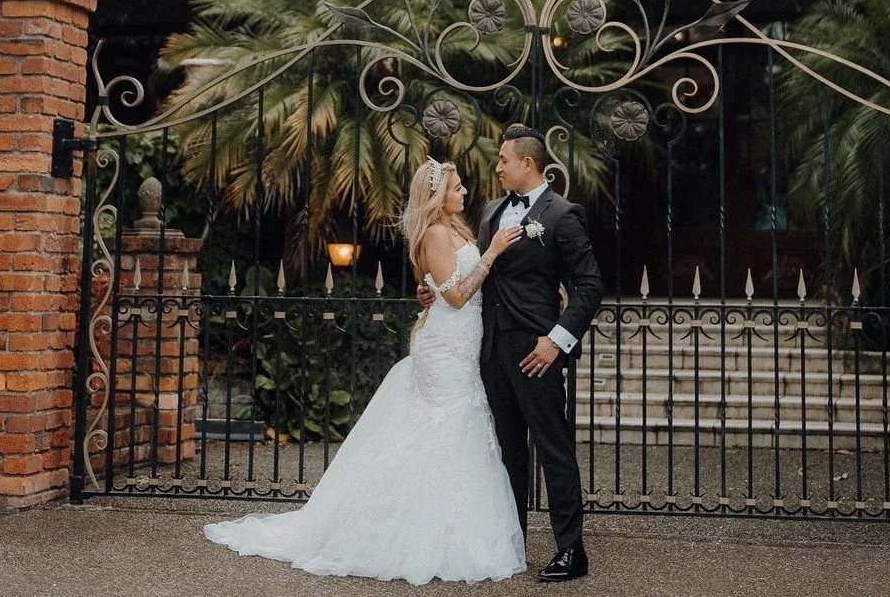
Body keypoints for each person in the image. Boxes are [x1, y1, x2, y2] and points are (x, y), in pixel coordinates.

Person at [204, 159, 527, 584]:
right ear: (438, 196)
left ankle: (444, 524)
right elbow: (456, 298)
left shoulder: (457, 230)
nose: (465, 192)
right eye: (458, 187)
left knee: (459, 429)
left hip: (463, 346)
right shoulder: (433, 233)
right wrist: (492, 252)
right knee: (441, 430)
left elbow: (437, 287)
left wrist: (455, 273)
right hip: (445, 346)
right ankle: (405, 531)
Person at [420, 124, 603, 583]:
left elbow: (590, 286)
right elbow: (474, 274)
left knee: (552, 446)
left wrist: (556, 340)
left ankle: (570, 550)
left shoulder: (563, 215)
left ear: (527, 163)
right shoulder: (489, 211)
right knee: (505, 451)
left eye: (503, 160)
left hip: (535, 350)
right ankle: (511, 539)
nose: (496, 167)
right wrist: (436, 294)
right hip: (487, 348)